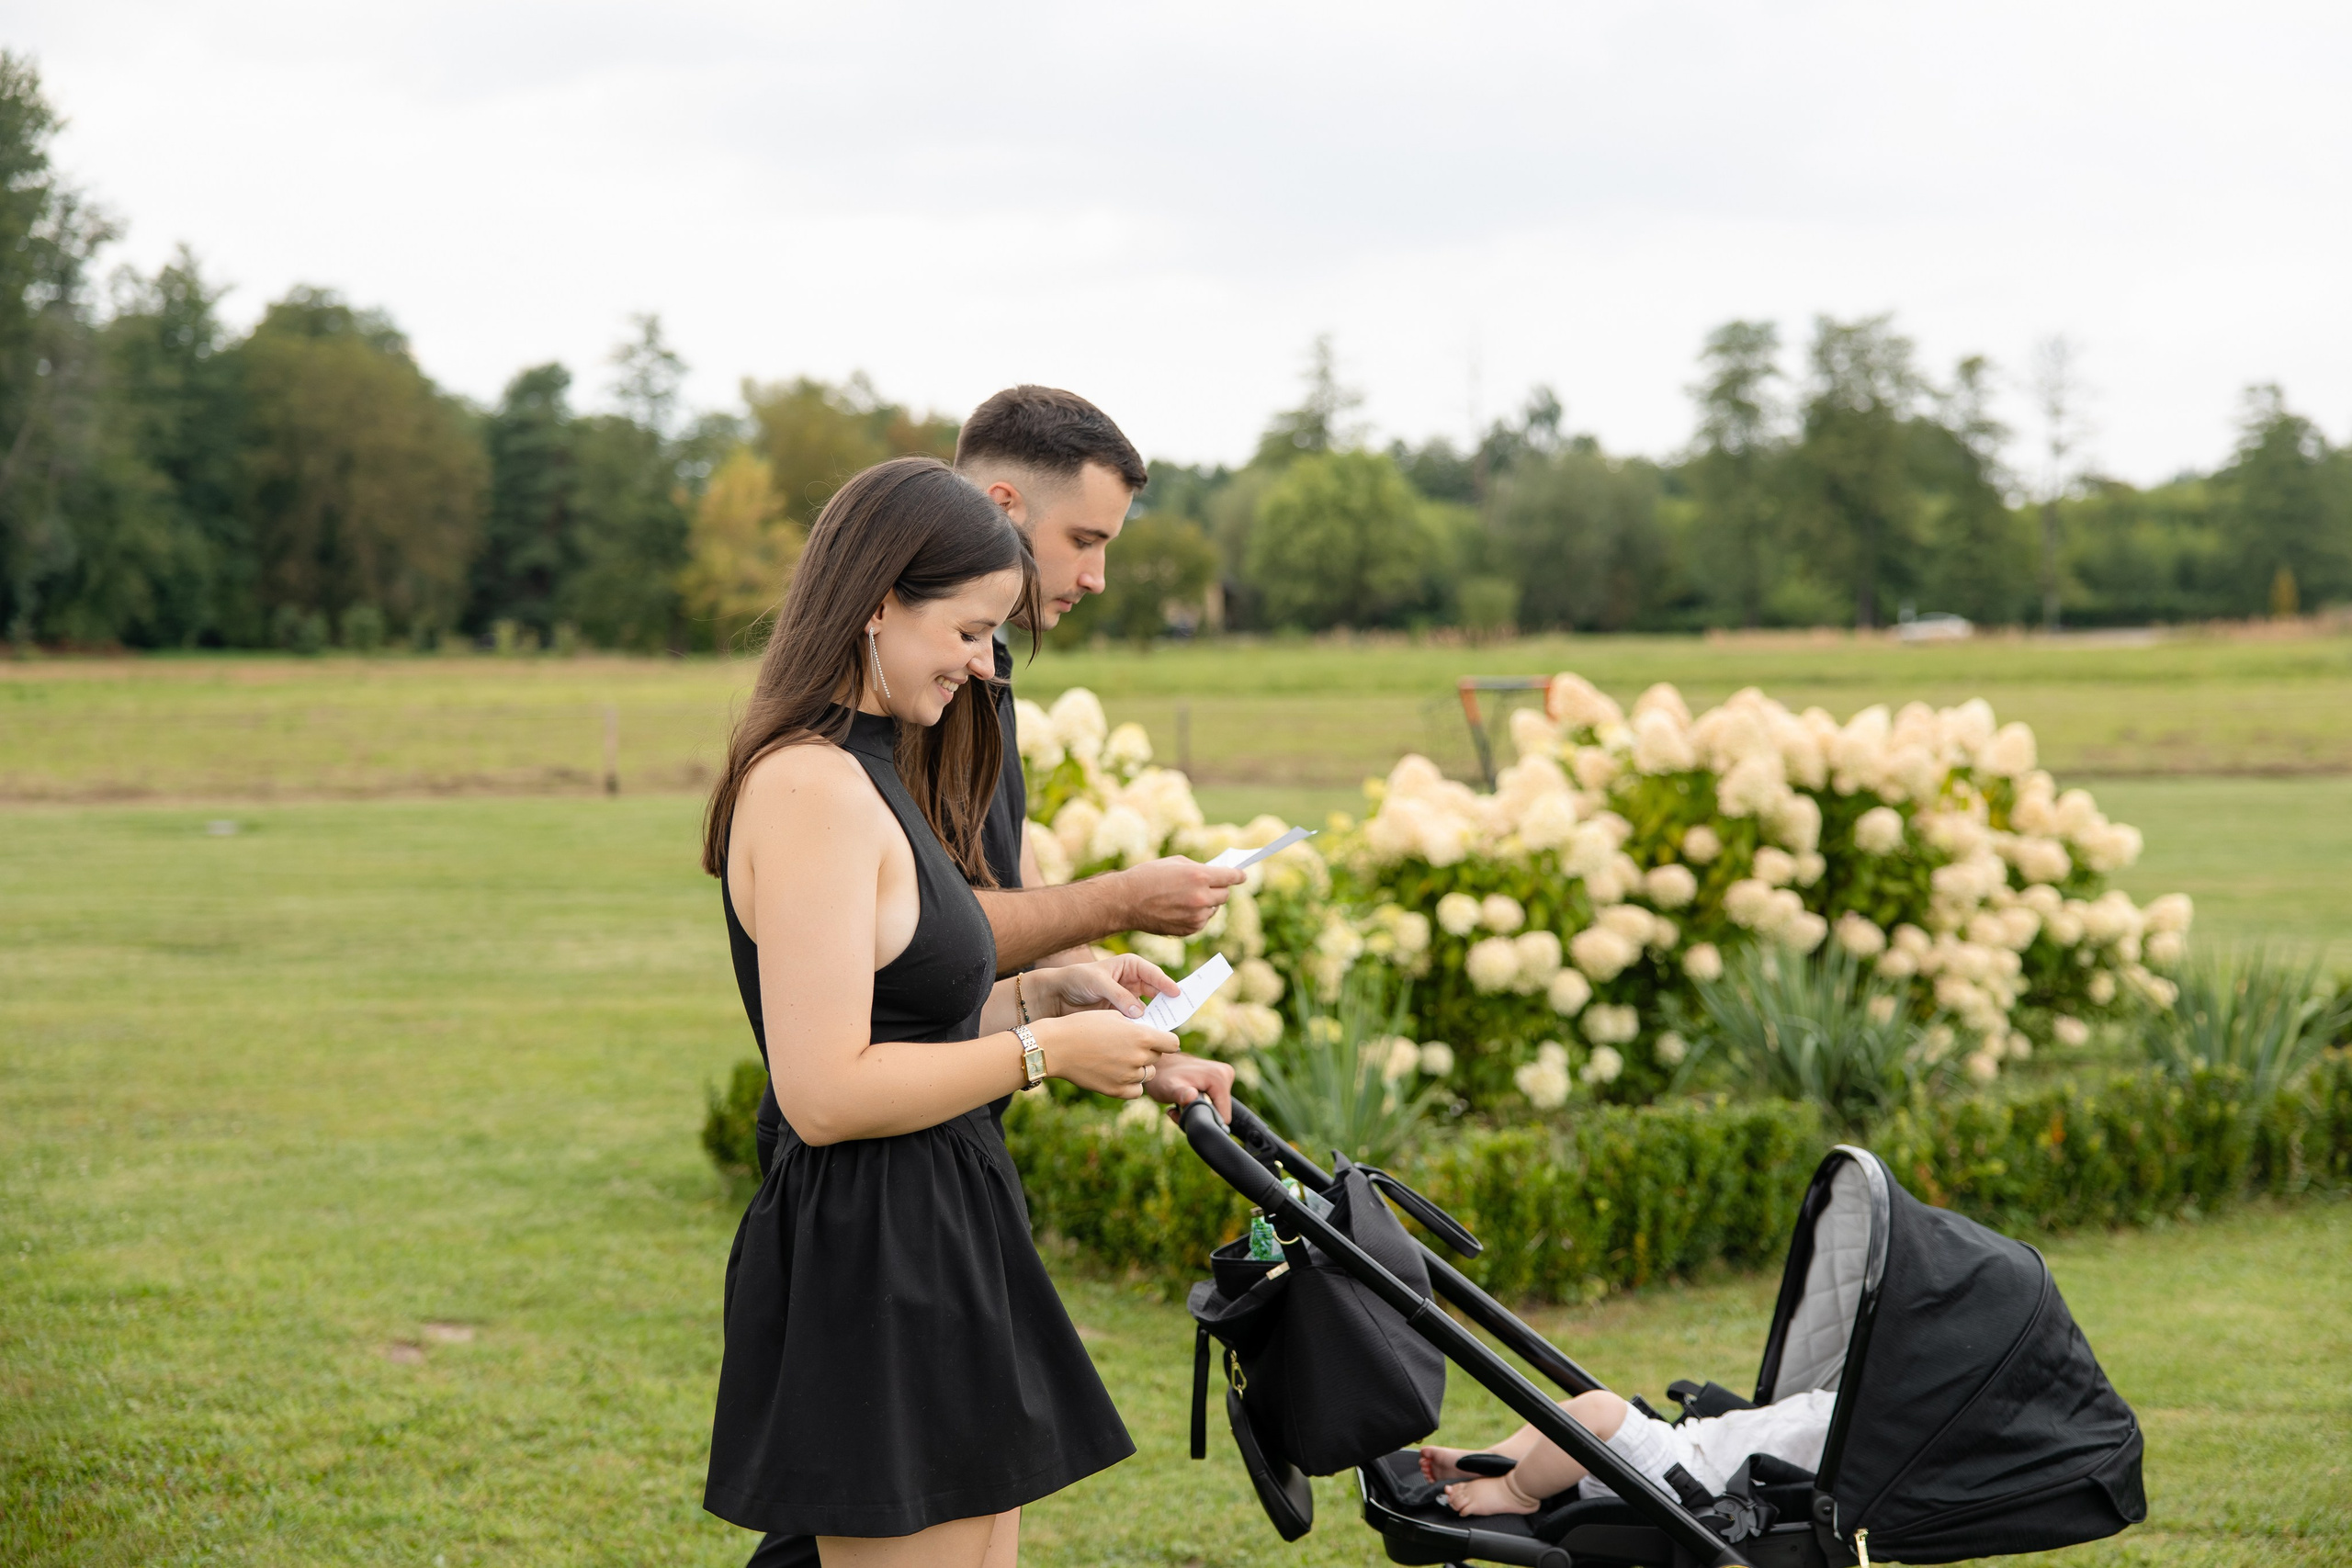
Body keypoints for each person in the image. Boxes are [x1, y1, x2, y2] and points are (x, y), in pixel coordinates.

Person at [702, 456, 1235, 1568]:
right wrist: (1044, 1052)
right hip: (873, 1249)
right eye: (966, 631)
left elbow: (904, 1012)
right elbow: (826, 1091)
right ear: (878, 604)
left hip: (943, 1220)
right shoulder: (809, 787)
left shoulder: (881, 766)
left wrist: (1048, 993)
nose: (984, 664)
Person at [952, 385, 1246, 974]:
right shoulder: (910, 689)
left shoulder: (987, 670)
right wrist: (1121, 901)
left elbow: (1012, 873)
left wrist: (1110, 1010)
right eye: (1083, 541)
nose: (1096, 579)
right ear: (1001, 505)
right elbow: (936, 936)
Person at [1419, 1387, 1837, 1517]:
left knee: (1599, 1410)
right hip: (1687, 1444)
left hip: (1693, 1485)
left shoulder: (1850, 1434)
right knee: (1570, 1414)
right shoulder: (1845, 1398)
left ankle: (1515, 1490)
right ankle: (1495, 1458)